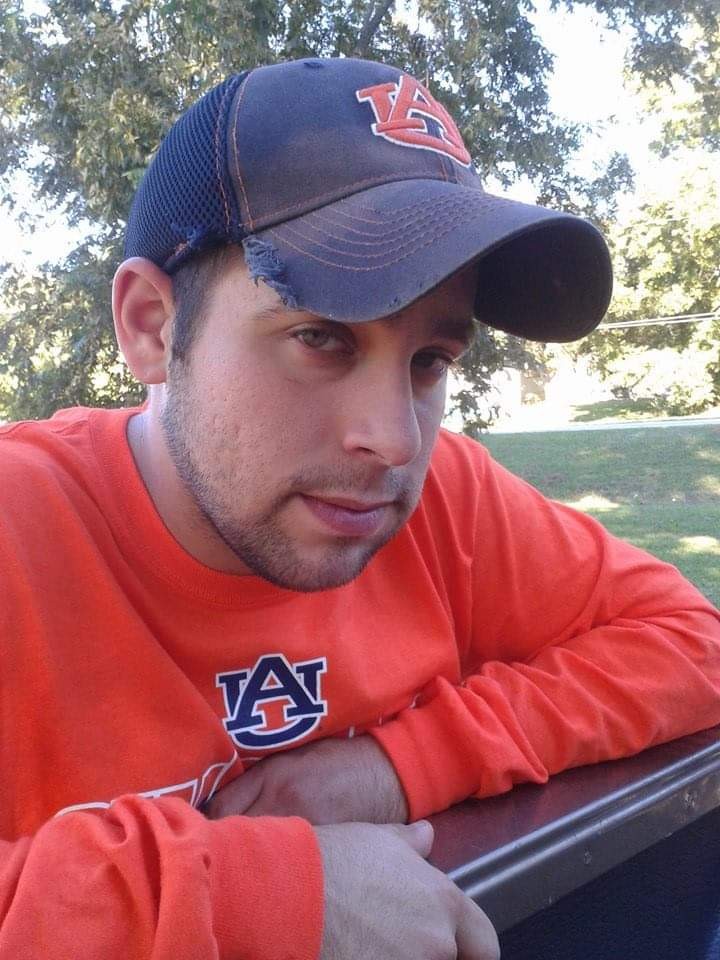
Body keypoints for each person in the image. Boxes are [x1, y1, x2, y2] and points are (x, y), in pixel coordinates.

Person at [1, 55, 719, 960]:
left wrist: (396, 765)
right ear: (152, 325)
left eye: (429, 361)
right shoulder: (21, 529)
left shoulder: (442, 499)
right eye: (320, 336)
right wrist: (263, 898)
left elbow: (691, 644)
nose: (395, 440)